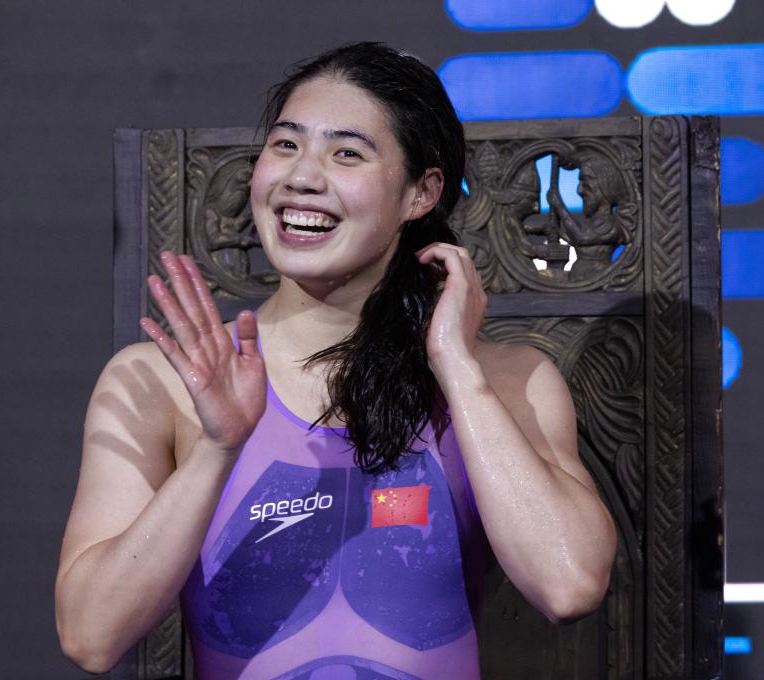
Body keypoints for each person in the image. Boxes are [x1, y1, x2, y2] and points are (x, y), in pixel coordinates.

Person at [55, 42, 617, 679]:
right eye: (285, 144)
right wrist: (216, 450)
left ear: (421, 192)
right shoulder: (162, 381)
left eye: (346, 153)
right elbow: (90, 635)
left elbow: (569, 585)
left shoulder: (508, 380)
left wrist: (457, 370)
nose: (302, 176)